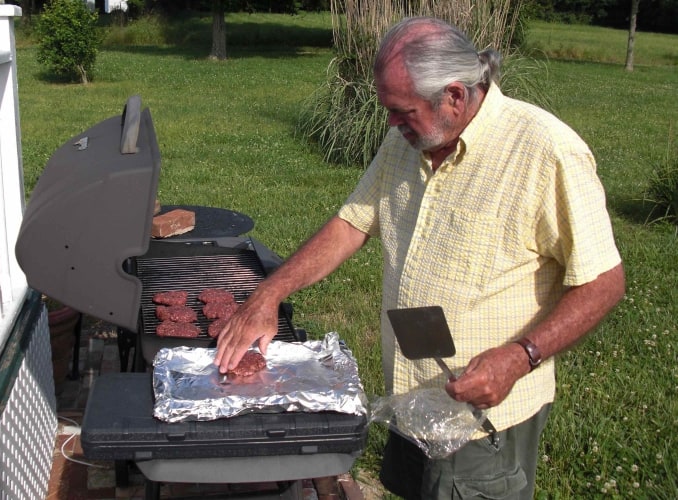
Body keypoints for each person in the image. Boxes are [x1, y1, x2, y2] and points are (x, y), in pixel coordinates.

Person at [215, 16, 625, 499]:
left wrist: (519, 357)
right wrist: (269, 293)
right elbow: (353, 223)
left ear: (453, 96)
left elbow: (604, 282)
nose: (389, 122)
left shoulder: (545, 151)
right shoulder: (407, 140)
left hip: (482, 421)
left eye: (401, 110)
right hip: (412, 400)